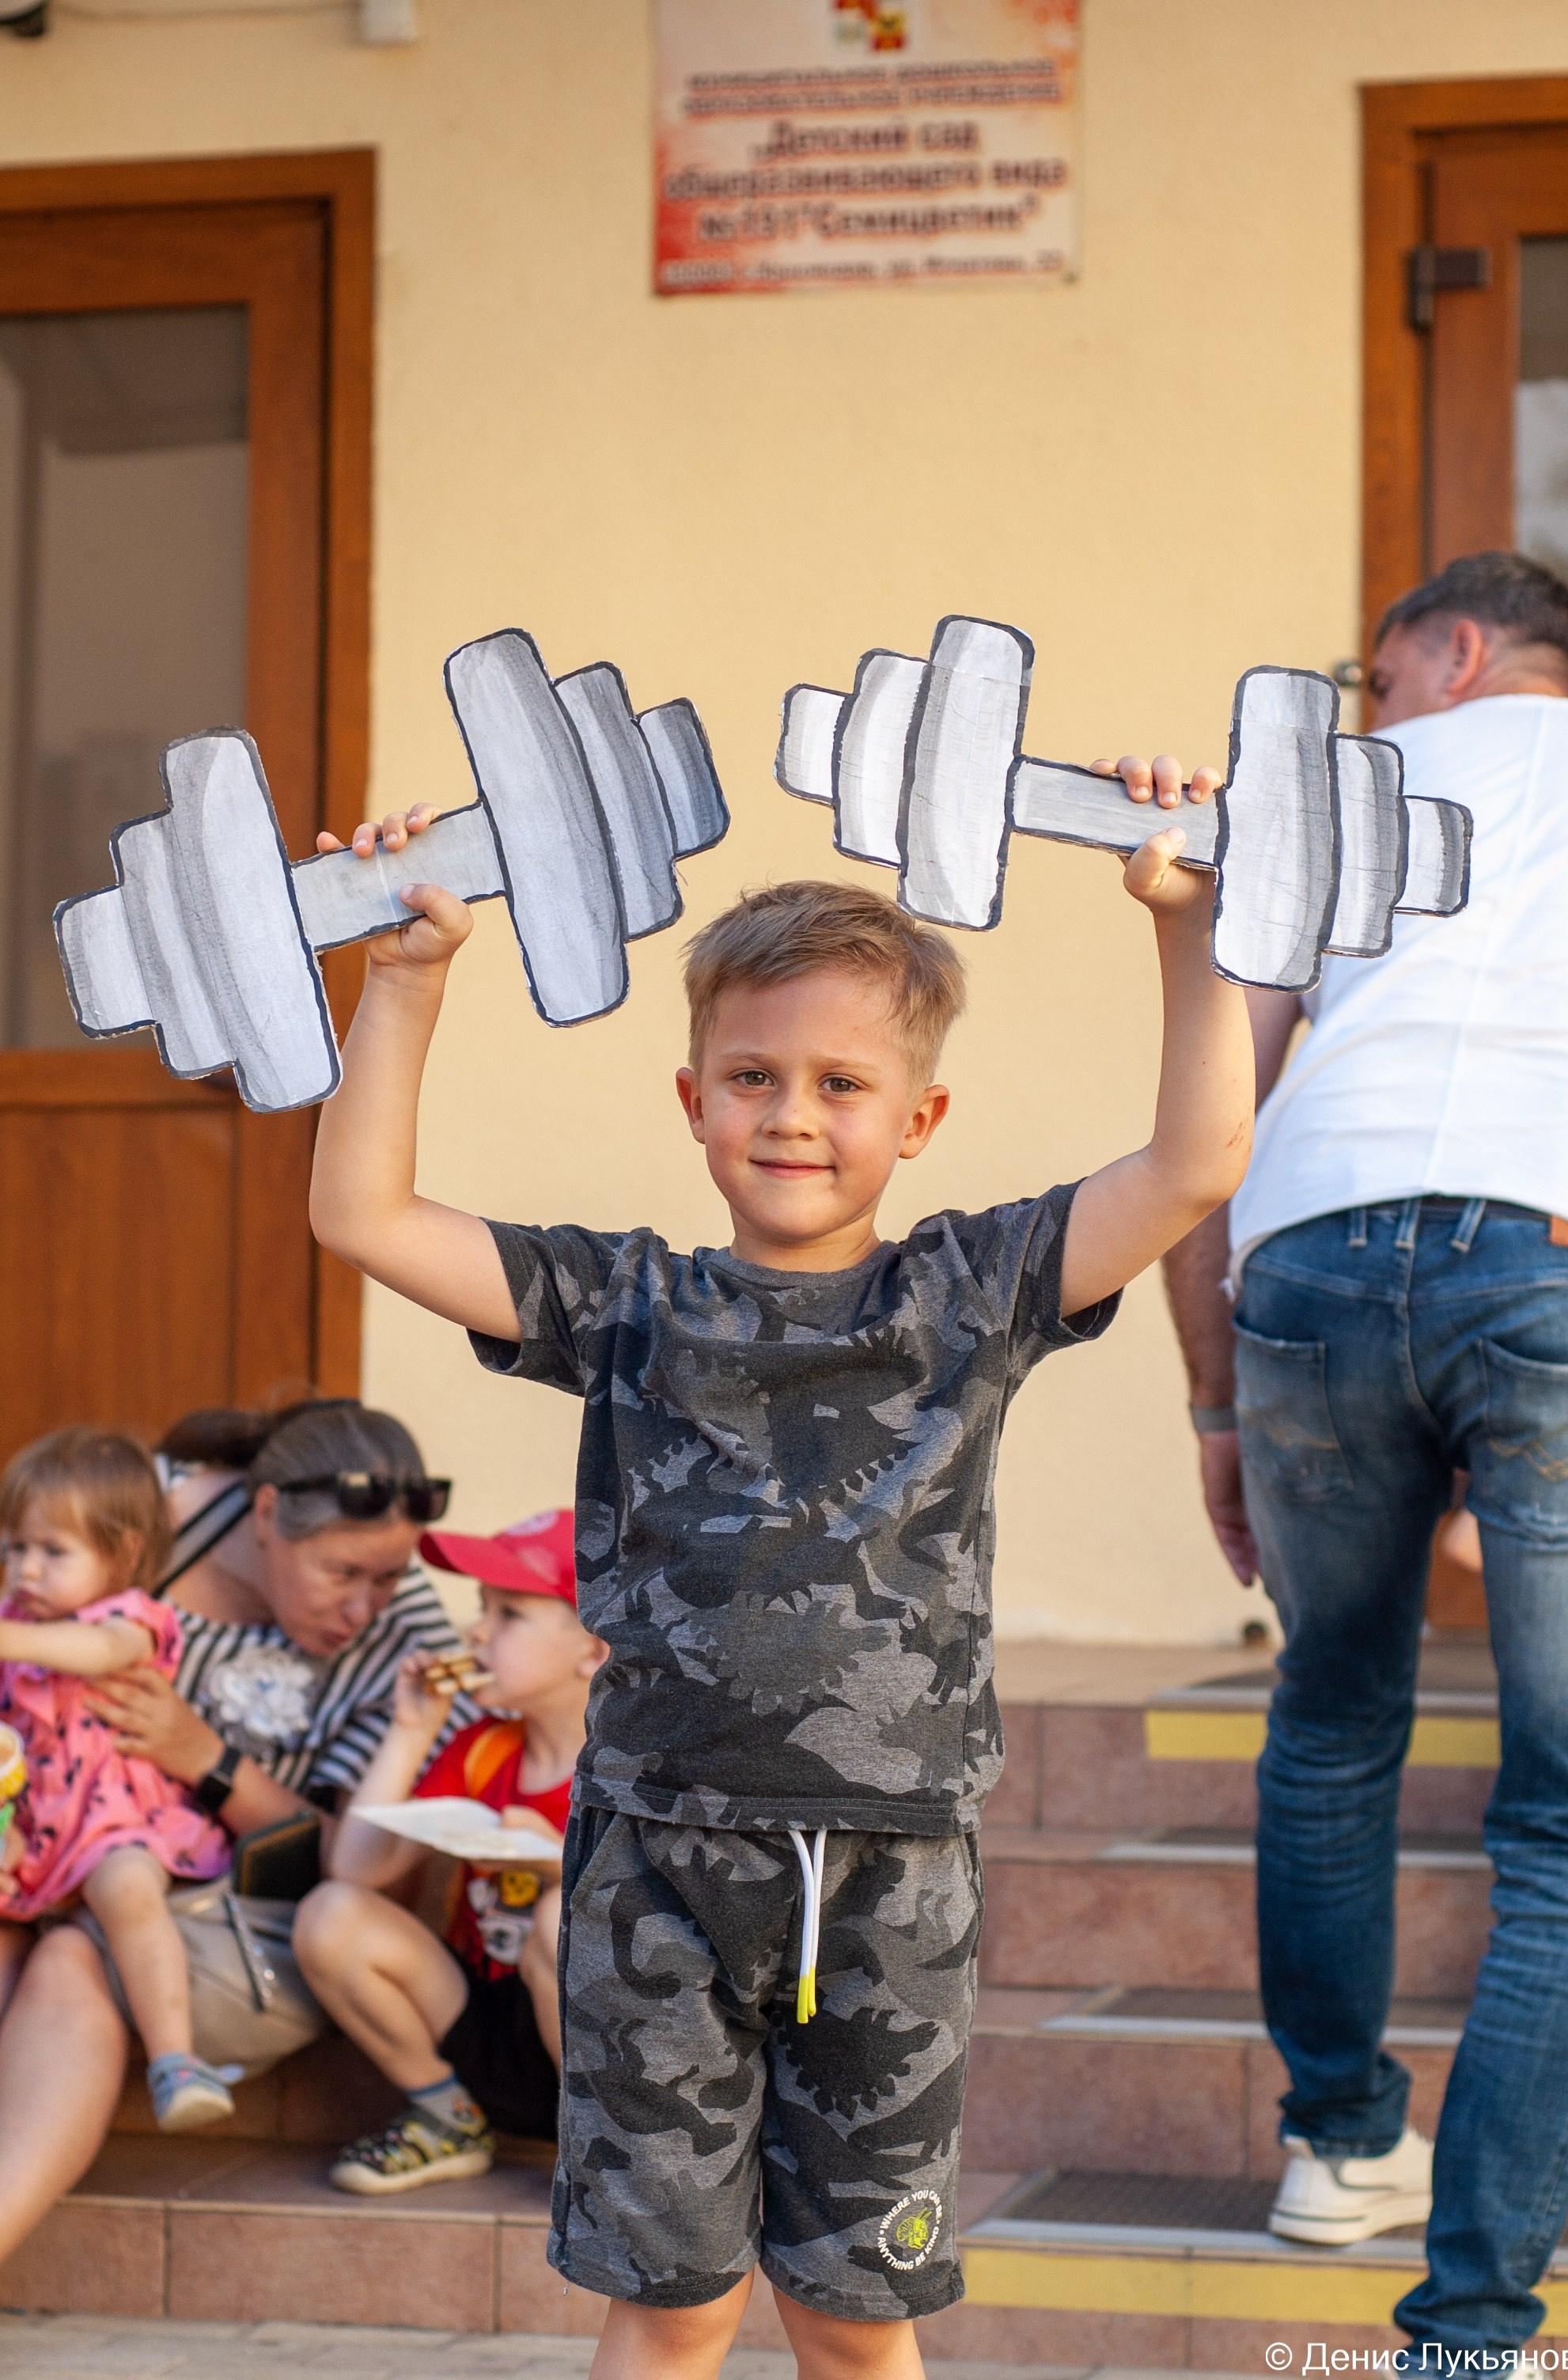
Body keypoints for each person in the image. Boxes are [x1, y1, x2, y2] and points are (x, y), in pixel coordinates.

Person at [308, 751, 1254, 2380]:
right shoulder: (625, 1304)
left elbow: (1193, 1165)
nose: (792, 1114)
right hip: (658, 1870)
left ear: (917, 1118)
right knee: (671, 2308)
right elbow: (364, 1212)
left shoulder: (972, 1290)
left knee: (852, 2313)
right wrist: (403, 978)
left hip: (893, 1877)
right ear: (692, 1101)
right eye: (750, 1076)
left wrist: (1188, 922)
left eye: (837, 1084)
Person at [1161, 550, 1568, 2355]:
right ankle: (1470, 2323)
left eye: (1375, 667)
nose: (1362, 702)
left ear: (1455, 649)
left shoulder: (1326, 799)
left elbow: (1203, 1119)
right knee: (1563, 1813)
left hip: (1304, 1253)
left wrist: (1205, 1405)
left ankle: (1335, 2141)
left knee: (1330, 1714)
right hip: (1549, 1253)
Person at [0, 1395, 472, 2272]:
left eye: (390, 1575)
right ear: (264, 1515)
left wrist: (206, 1757)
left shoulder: (402, 1644)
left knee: (74, 1954)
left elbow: (359, 1869)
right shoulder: (143, 1507)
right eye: (343, 1572)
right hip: (45, 1843)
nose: (369, 1603)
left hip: (237, 1915)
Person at [294, 1507, 606, 2192]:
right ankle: (448, 2114)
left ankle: (601, 2164)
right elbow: (357, 1870)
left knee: (562, 1917)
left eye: (510, 1616)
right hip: (476, 2021)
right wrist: (412, 1730)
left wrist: (554, 1857)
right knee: (330, 1913)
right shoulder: (484, 1748)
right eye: (481, 1609)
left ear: (593, 1648)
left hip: (598, 2059)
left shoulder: (627, 1772)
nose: (476, 1632)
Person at [0, 1428, 235, 2129]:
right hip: (32, 1827)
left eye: (52, 1551)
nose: (27, 1571)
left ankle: (176, 2060)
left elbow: (97, 1653)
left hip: (114, 1823)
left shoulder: (133, 1618)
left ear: (124, 1555)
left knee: (127, 1886)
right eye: (16, 1548)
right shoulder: (15, 1624)